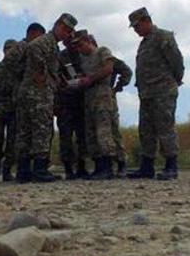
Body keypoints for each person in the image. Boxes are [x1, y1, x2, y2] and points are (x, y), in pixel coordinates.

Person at [15, 13, 77, 183]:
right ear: (56, 25)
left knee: (26, 132)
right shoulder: (45, 41)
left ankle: (24, 170)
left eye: (69, 31)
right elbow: (34, 48)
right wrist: (41, 73)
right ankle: (39, 169)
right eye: (64, 29)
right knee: (42, 129)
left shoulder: (53, 45)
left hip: (31, 92)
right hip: (38, 93)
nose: (66, 33)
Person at [127, 7, 184, 181]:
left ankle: (171, 166)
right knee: (146, 130)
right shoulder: (144, 42)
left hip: (163, 91)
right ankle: (146, 166)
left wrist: (174, 81)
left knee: (165, 128)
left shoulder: (163, 37)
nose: (136, 30)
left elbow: (177, 62)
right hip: (146, 93)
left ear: (146, 21)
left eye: (137, 26)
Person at [73, 30, 118, 180]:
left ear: (88, 41)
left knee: (103, 130)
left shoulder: (102, 51)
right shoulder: (83, 59)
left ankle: (107, 166)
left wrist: (90, 79)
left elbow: (108, 68)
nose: (79, 49)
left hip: (102, 95)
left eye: (80, 45)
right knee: (91, 132)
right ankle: (98, 166)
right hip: (89, 97)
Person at [88, 35, 132, 178]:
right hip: (92, 98)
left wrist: (117, 87)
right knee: (96, 132)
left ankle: (121, 164)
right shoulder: (86, 60)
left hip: (107, 98)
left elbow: (126, 71)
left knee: (111, 132)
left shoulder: (106, 56)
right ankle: (102, 166)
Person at [55, 38, 89, 180]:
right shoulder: (60, 57)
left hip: (82, 100)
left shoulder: (86, 54)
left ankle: (82, 166)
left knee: (83, 135)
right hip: (65, 101)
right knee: (66, 136)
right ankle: (68, 168)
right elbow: (54, 77)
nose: (71, 45)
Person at [0, 39, 19, 182]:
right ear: (4, 51)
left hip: (14, 109)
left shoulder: (19, 70)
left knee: (13, 141)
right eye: (9, 49)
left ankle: (7, 170)